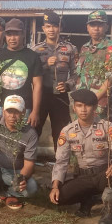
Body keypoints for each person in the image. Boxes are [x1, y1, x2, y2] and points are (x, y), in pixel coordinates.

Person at [49, 89, 112, 224]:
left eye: (87, 105)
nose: (83, 110)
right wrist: (55, 186)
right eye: (79, 105)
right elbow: (61, 162)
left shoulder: (107, 127)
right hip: (83, 177)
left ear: (95, 107)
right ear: (74, 108)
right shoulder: (67, 131)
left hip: (104, 175)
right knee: (59, 198)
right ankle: (89, 198)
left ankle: (108, 214)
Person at [31, 10, 78, 148]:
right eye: (48, 26)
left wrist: (68, 85)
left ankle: (60, 160)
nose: (51, 30)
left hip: (60, 95)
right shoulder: (35, 50)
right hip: (41, 95)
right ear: (43, 28)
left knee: (61, 132)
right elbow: (31, 74)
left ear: (60, 27)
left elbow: (77, 74)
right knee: (34, 129)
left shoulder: (70, 49)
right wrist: (45, 65)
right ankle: (29, 159)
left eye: (55, 26)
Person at [0, 18, 43, 129]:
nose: (12, 38)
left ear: (23, 34)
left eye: (16, 34)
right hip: (0, 108)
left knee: (23, 138)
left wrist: (35, 111)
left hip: (24, 109)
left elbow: (37, 86)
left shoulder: (33, 57)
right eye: (9, 34)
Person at [68, 10, 112, 120]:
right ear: (87, 27)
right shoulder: (85, 48)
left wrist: (93, 99)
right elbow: (79, 75)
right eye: (92, 25)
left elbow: (110, 79)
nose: (96, 29)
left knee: (99, 130)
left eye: (100, 25)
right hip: (82, 102)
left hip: (99, 104)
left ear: (106, 27)